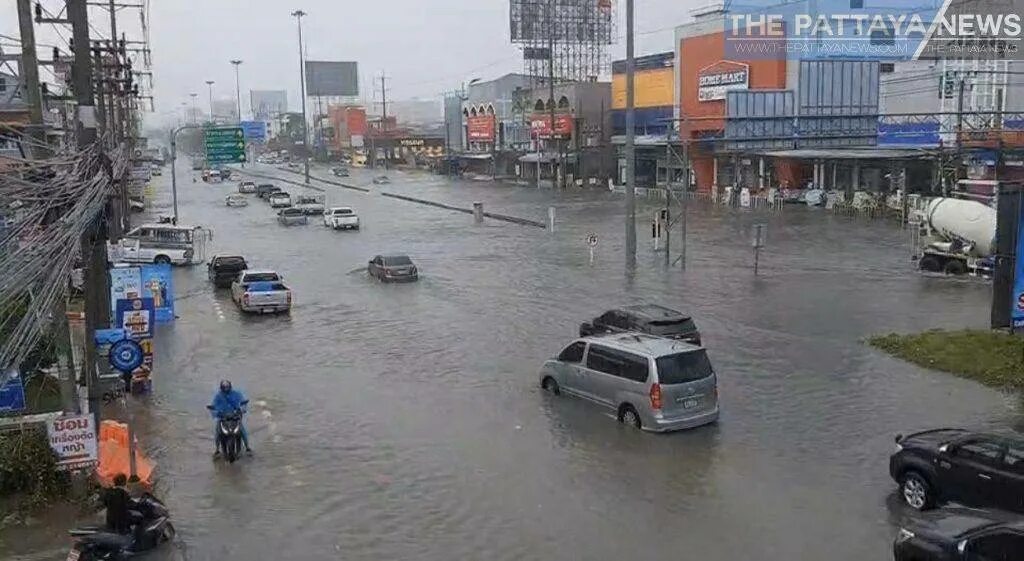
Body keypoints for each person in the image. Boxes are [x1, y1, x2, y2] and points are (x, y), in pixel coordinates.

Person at [209, 379, 251, 456]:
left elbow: (243, 403)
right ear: (221, 388)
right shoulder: (218, 396)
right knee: (218, 432)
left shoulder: (236, 394)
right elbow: (213, 406)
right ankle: (217, 449)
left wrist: (242, 410)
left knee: (242, 431)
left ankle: (247, 447)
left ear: (230, 386)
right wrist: (216, 413)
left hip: (235, 417)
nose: (226, 389)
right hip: (223, 418)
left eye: (227, 387)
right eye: (224, 387)